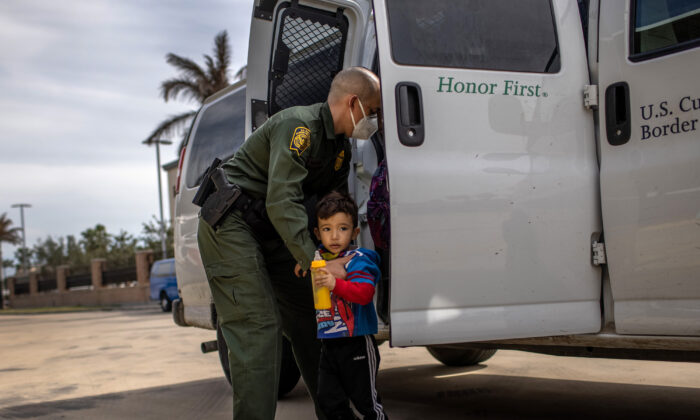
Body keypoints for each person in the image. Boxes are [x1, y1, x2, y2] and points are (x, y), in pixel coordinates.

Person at [197, 66, 381, 419]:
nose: (371, 122)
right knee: (259, 328)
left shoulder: (339, 149)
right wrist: (315, 259)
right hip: (232, 222)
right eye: (371, 113)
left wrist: (328, 255)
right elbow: (281, 200)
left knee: (315, 321)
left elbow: (329, 209)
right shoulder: (299, 127)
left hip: (274, 231)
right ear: (354, 102)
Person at [312, 191, 387, 420]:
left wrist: (335, 283)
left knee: (368, 404)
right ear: (317, 232)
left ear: (355, 232)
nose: (334, 235)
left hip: (356, 344)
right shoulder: (321, 259)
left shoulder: (359, 260)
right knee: (328, 401)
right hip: (329, 344)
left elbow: (364, 294)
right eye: (327, 229)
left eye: (342, 228)